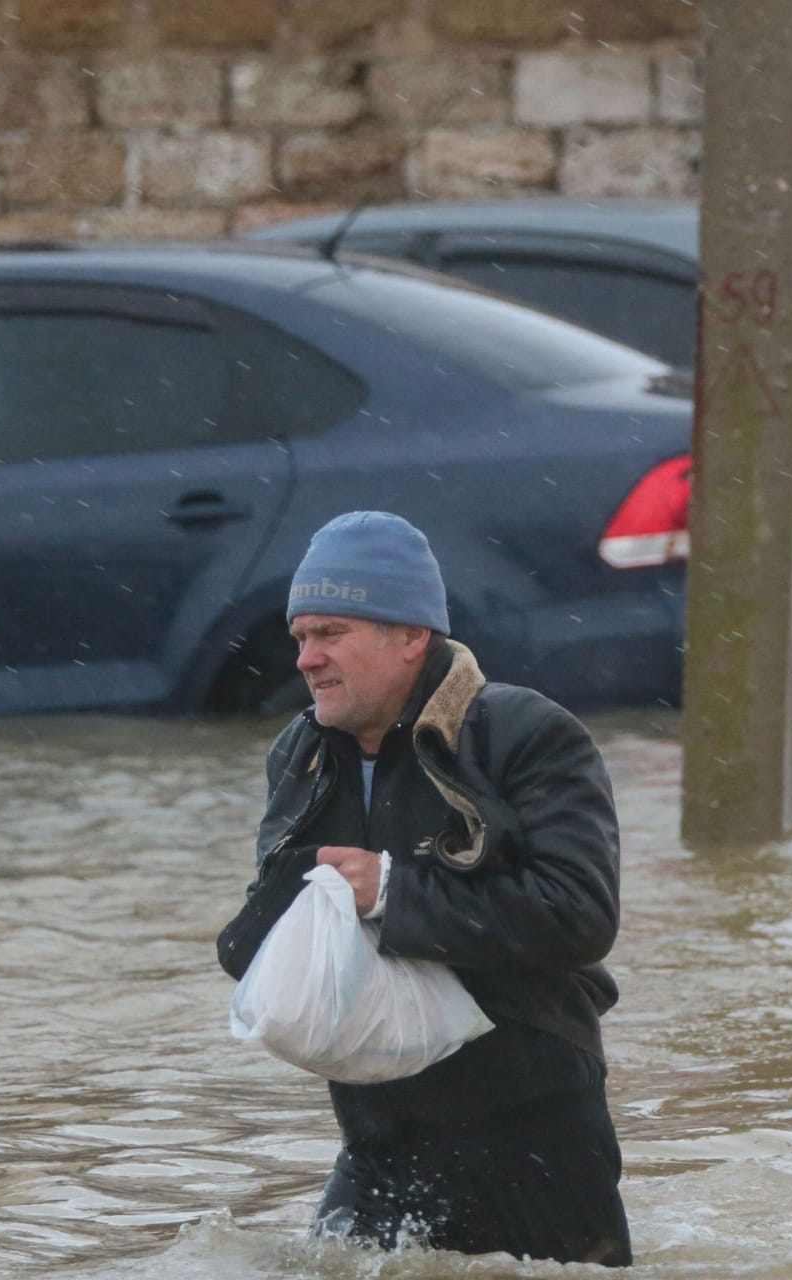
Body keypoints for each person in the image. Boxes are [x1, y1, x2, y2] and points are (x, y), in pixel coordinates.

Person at [216, 510, 632, 1267]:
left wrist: (389, 892)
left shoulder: (526, 733)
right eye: (300, 637)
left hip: (534, 1127)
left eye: (331, 633)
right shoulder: (301, 754)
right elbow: (251, 948)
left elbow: (580, 917)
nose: (307, 659)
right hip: (379, 1135)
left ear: (410, 637)